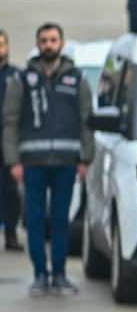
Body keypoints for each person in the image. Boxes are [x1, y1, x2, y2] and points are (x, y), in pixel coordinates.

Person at [2, 23, 91, 296]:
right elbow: (10, 121)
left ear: (61, 44)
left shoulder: (77, 79)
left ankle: (60, 274)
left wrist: (85, 158)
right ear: (38, 44)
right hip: (33, 162)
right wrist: (13, 160)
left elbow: (86, 121)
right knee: (35, 220)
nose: (48, 45)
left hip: (66, 162)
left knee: (61, 220)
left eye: (53, 40)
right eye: (44, 41)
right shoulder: (22, 80)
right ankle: (40, 274)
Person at [0, 29, 23, 250]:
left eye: (2, 44)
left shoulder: (16, 76)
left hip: (9, 142)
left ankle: (10, 233)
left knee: (10, 191)